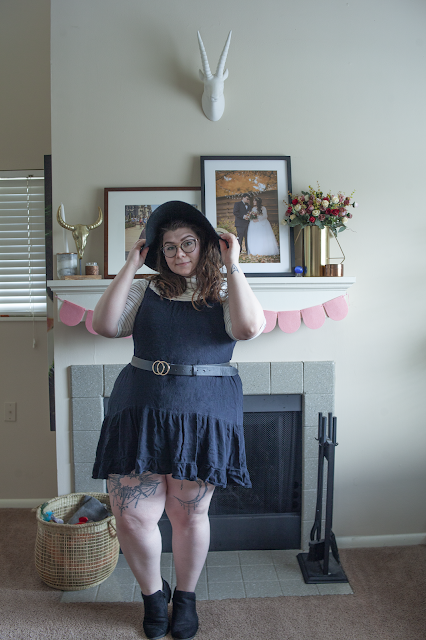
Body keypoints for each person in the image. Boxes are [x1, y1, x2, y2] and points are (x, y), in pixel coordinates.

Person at [91, 201, 265, 640]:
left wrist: (234, 265)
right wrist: (132, 264)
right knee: (131, 515)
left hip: (204, 414)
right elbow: (105, 325)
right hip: (140, 410)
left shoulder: (226, 289)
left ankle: (184, 598)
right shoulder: (146, 288)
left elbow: (247, 329)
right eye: (168, 247)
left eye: (187, 242)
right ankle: (154, 597)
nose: (178, 253)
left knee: (188, 515)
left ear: (207, 244)